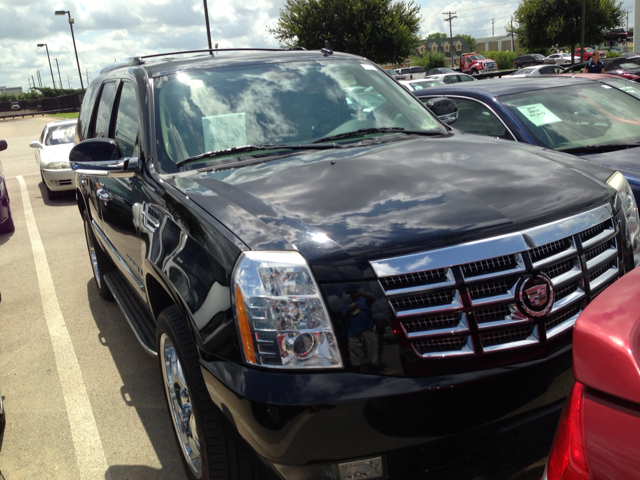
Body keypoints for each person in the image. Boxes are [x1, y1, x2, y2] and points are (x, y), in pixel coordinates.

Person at [341, 290, 380, 372]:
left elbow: (373, 299)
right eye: (351, 294)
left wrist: (361, 293)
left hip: (368, 329)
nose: (353, 295)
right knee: (357, 357)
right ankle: (364, 372)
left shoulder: (364, 301)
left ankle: (375, 371)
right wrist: (349, 311)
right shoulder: (348, 306)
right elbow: (343, 321)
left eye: (354, 293)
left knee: (372, 352)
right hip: (353, 333)